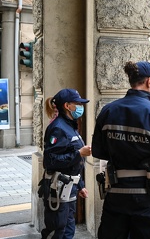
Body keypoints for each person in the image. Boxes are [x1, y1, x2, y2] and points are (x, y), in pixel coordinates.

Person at [92, 61, 150, 239]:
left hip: (115, 192)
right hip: (145, 195)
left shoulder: (108, 110)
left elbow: (98, 151)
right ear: (149, 81)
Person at [41, 88, 91, 239]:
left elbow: (73, 165)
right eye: (77, 103)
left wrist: (80, 185)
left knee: (68, 229)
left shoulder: (70, 126)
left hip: (70, 188)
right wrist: (79, 154)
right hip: (58, 188)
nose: (80, 107)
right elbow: (50, 160)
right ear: (67, 106)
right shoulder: (58, 128)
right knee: (57, 230)